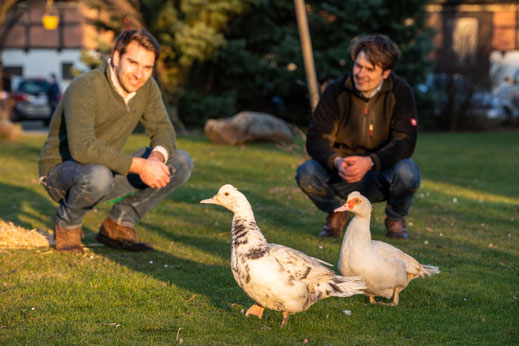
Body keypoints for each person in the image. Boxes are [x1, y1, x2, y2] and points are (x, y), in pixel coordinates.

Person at [38, 29, 194, 254]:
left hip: (105, 170)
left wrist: (155, 158)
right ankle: (67, 226)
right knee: (98, 175)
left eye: (147, 67)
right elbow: (82, 149)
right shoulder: (86, 86)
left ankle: (118, 225)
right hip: (61, 175)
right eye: (133, 62)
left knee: (180, 161)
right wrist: (141, 166)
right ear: (116, 57)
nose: (139, 74)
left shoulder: (146, 88)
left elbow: (163, 129)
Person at [295, 34, 420, 239]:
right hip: (341, 172)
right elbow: (315, 138)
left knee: (408, 173)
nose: (360, 74)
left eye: (370, 69)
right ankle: (337, 212)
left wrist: (370, 161)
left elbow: (405, 142)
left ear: (386, 72)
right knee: (306, 172)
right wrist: (336, 161)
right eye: (358, 66)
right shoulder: (336, 90)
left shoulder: (401, 92)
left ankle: (395, 217)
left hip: (381, 174)